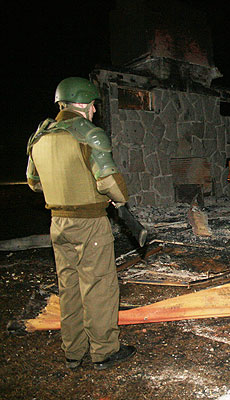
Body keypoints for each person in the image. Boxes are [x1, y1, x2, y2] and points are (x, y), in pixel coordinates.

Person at [26, 77, 136, 370]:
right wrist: (120, 199)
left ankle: (73, 352)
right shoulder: (89, 134)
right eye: (94, 106)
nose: (95, 111)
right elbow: (108, 181)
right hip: (89, 224)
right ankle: (104, 351)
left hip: (57, 223)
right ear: (86, 105)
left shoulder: (40, 136)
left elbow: (34, 183)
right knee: (99, 286)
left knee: (70, 287)